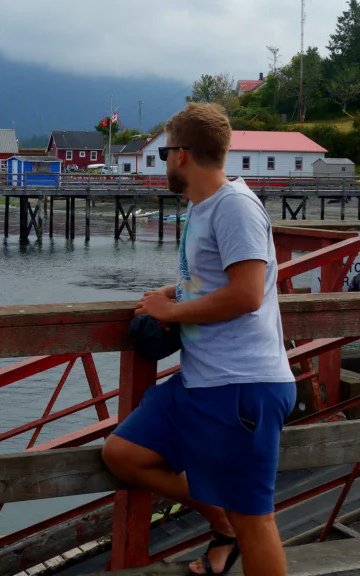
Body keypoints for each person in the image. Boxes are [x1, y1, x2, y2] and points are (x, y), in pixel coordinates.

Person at [101, 102, 296, 576]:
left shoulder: (234, 207)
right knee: (124, 454)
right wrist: (173, 292)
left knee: (256, 521)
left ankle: (233, 526)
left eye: (164, 152)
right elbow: (216, 280)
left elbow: (248, 293)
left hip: (242, 387)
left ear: (182, 155)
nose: (164, 162)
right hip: (200, 382)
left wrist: (171, 311)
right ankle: (222, 525)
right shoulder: (203, 206)